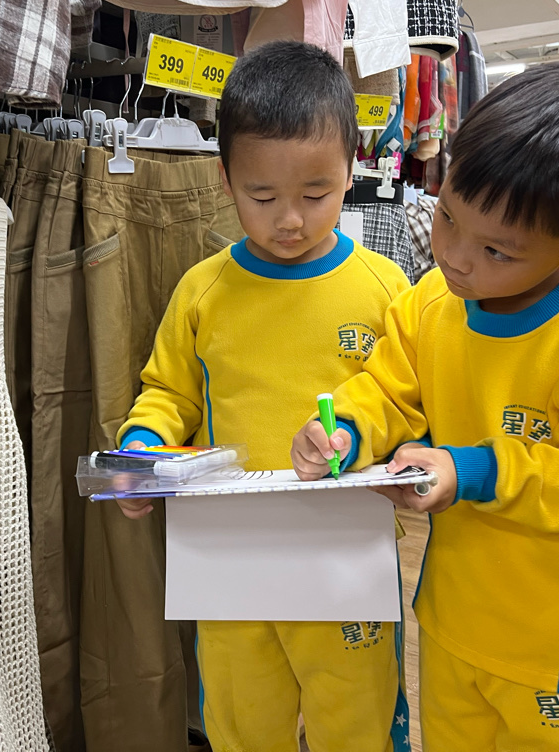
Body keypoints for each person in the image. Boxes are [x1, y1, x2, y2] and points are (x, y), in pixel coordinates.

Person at [291, 62, 559, 751]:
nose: (455, 257)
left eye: (497, 251)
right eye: (447, 215)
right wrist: (347, 431)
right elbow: (386, 387)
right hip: (451, 624)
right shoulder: (430, 303)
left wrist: (475, 470)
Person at [112, 41, 412, 752]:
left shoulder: (384, 289)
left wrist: (379, 445)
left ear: (352, 169)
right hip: (229, 556)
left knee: (357, 721)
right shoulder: (203, 291)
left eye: (316, 195)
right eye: (263, 197)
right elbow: (167, 393)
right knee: (242, 721)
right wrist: (144, 447)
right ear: (225, 178)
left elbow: (408, 400)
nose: (290, 220)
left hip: (346, 555)